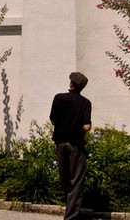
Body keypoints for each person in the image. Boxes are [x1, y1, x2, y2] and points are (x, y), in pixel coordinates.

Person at [50, 72, 92, 220]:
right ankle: (72, 215)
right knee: (77, 180)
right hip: (75, 145)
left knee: (65, 179)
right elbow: (87, 126)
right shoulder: (85, 103)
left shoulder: (58, 98)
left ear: (70, 84)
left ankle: (71, 211)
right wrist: (77, 128)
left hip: (60, 143)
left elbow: (53, 120)